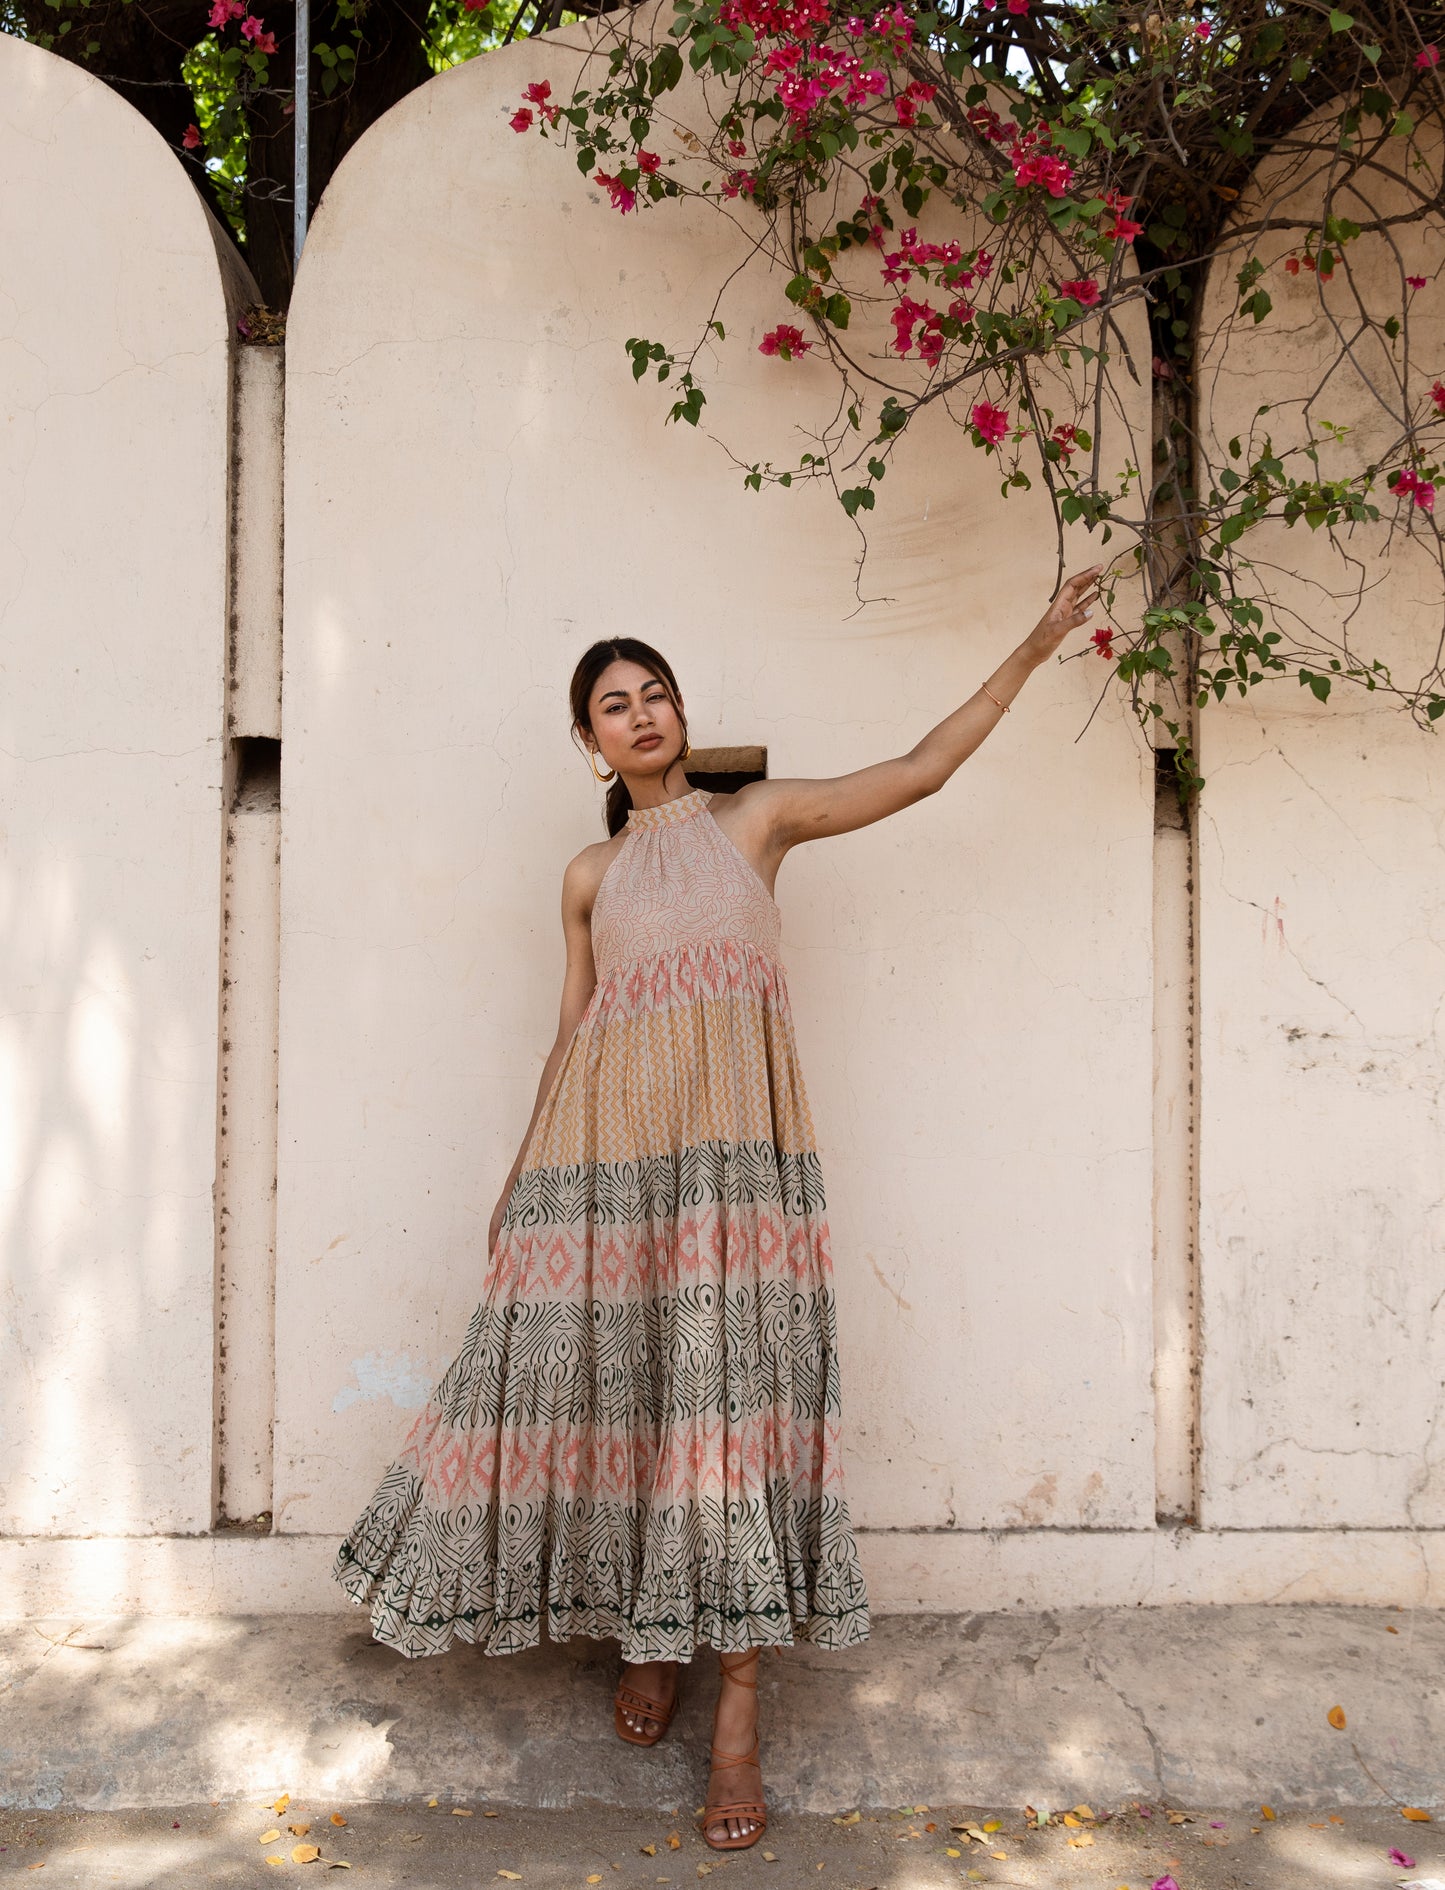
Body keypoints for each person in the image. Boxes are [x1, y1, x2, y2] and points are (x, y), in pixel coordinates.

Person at [332, 565, 1104, 1849]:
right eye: (614, 704)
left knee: (730, 1420)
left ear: (681, 716)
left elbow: (918, 770)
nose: (641, 714)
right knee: (635, 1402)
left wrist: (1031, 644)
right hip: (610, 1171)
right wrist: (523, 1179)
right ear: (587, 738)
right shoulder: (587, 874)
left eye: (656, 694)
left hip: (738, 1179)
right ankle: (654, 1638)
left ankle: (734, 1719)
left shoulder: (757, 823)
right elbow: (568, 1034)